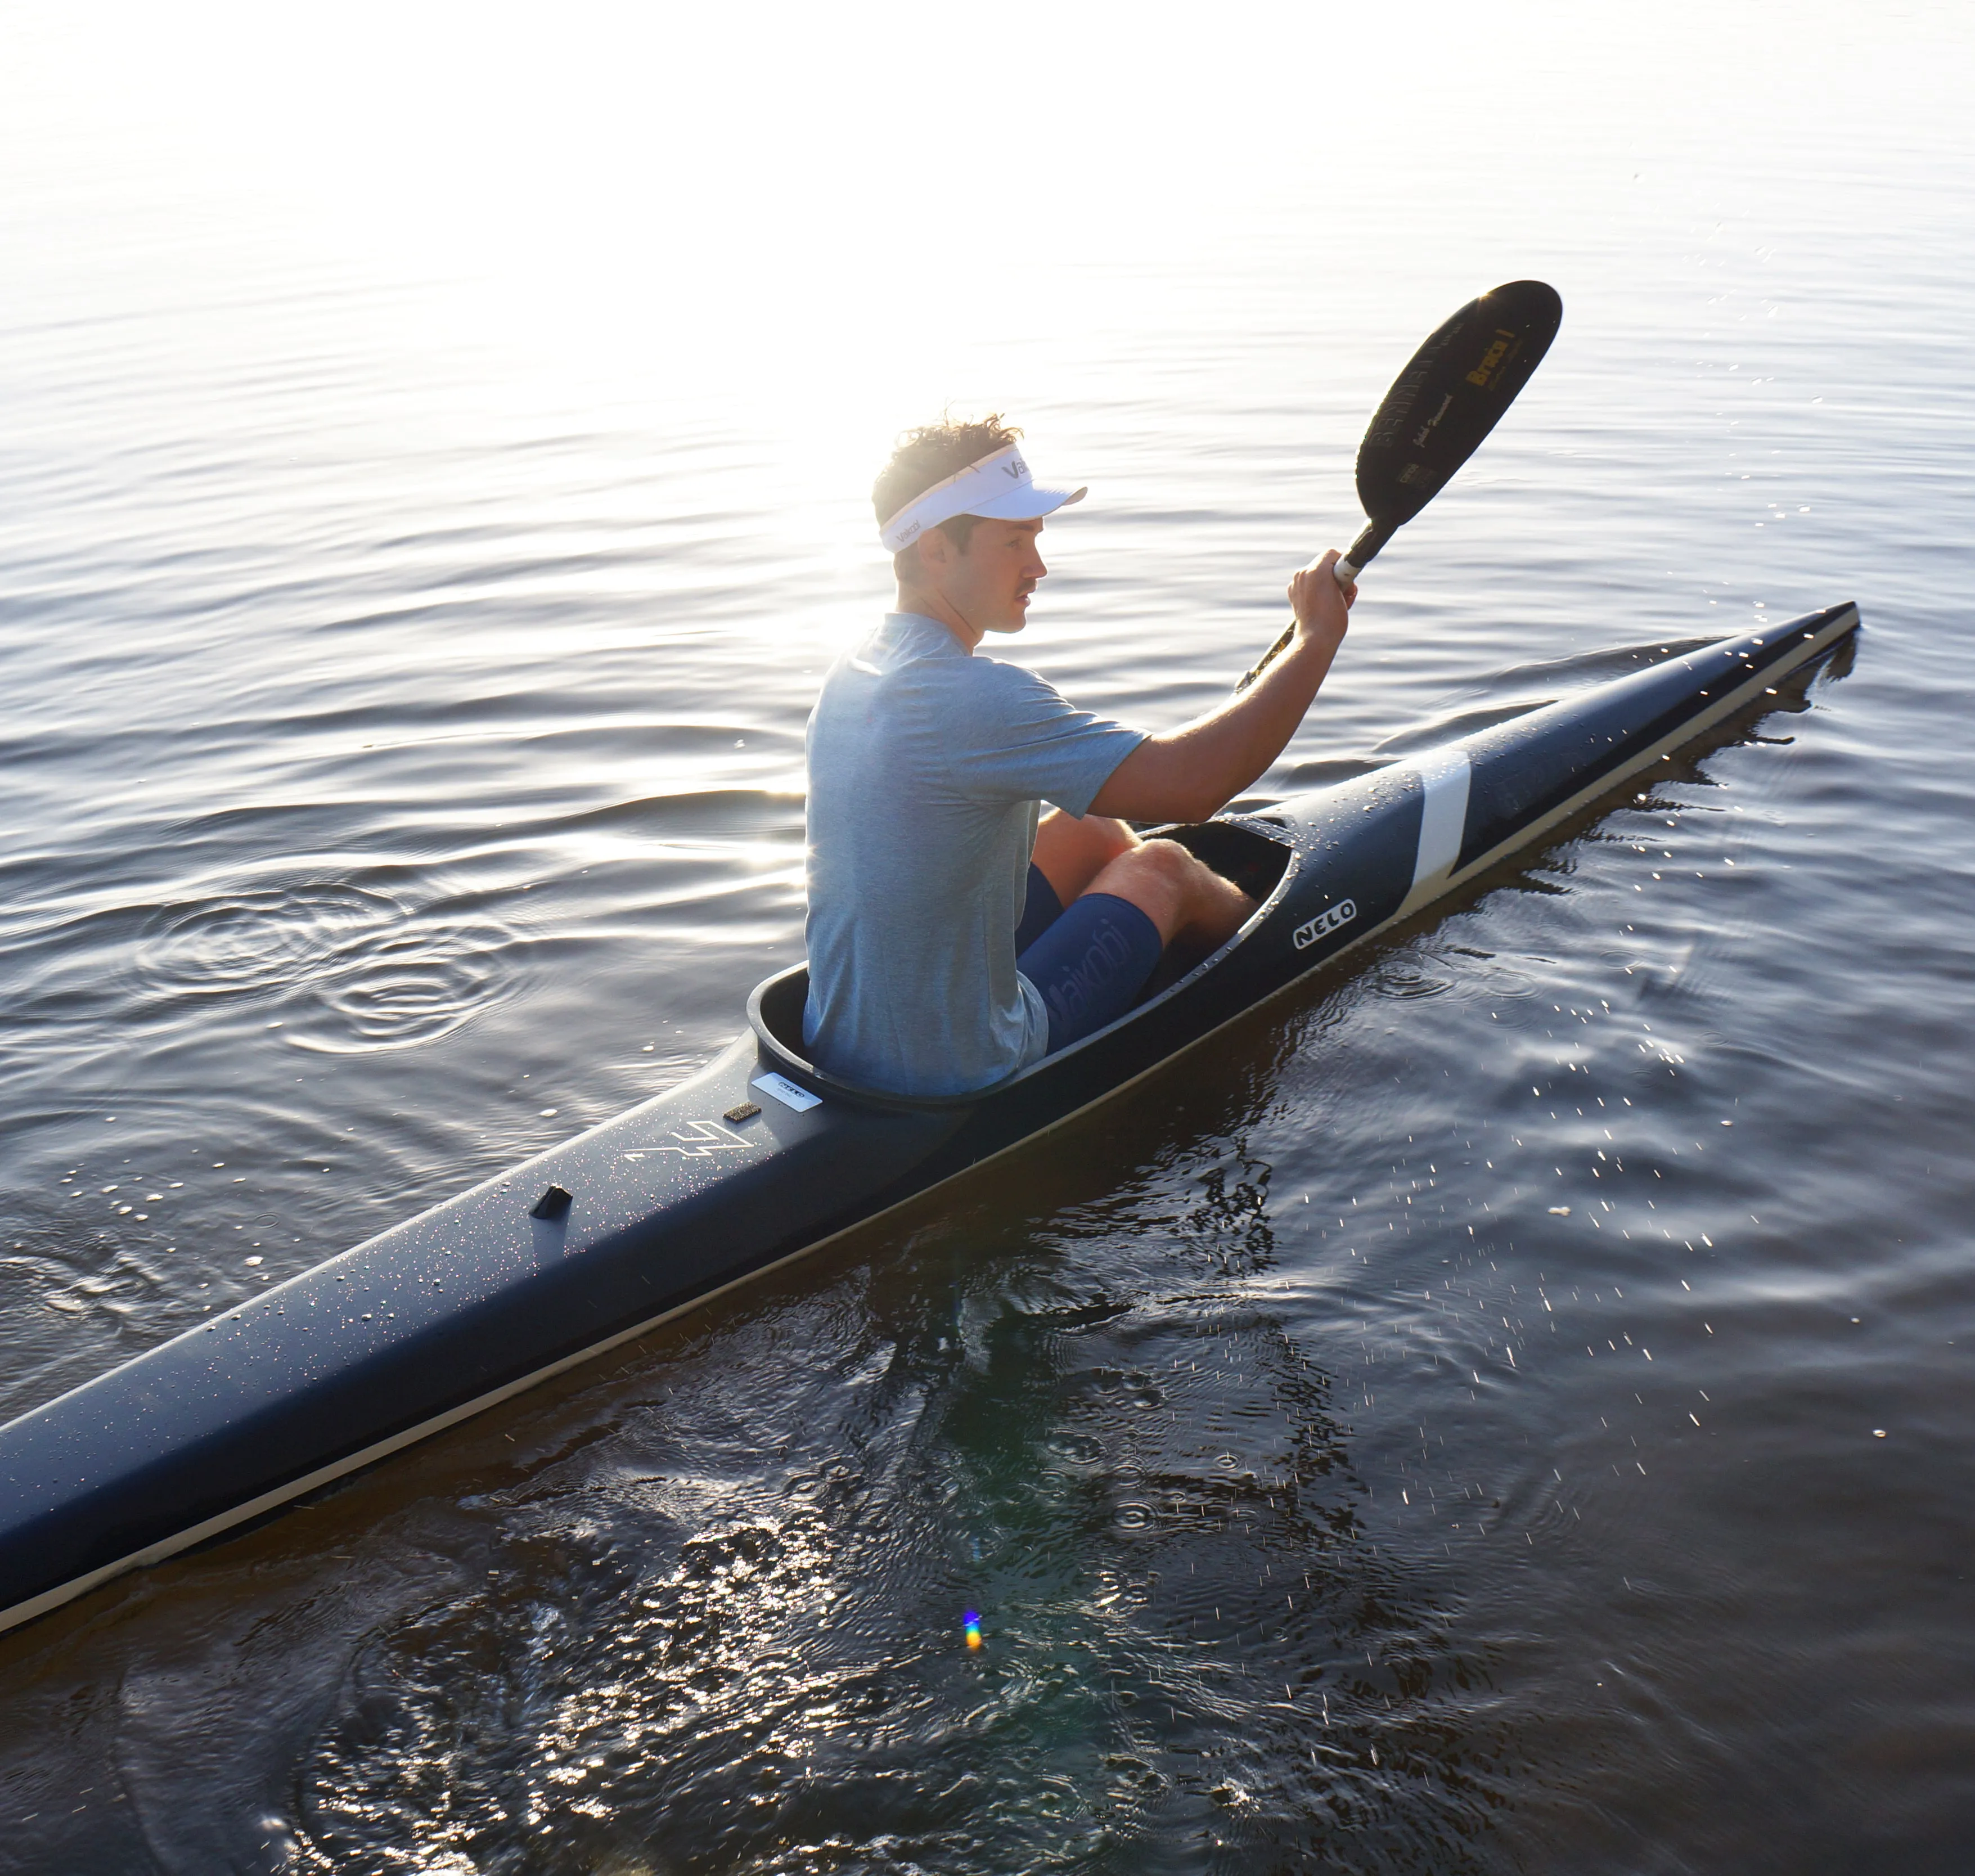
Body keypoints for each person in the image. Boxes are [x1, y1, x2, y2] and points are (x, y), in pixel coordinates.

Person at [802, 415, 1354, 1097]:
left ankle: (1158, 946)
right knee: (1164, 865)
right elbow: (1193, 789)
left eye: (1036, 538)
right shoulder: (975, 699)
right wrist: (1315, 639)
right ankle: (1278, 956)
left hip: (840, 1037)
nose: (1038, 565)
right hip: (958, 1067)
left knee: (1089, 827)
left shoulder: (855, 668)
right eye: (1014, 541)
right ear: (936, 550)